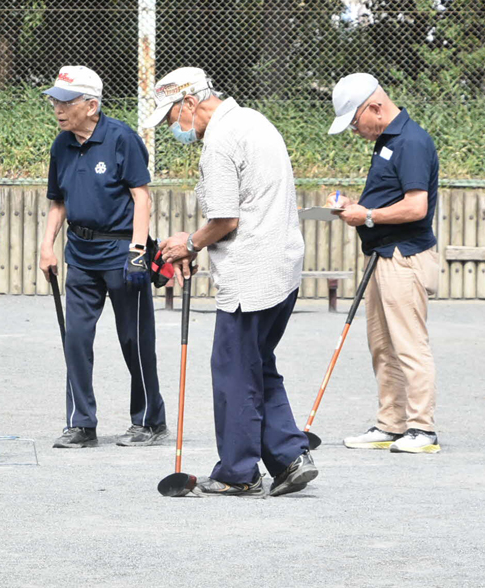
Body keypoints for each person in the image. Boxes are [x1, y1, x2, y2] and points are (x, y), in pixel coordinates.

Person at [155, 67, 317, 497]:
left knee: (232, 370)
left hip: (251, 277)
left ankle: (238, 472)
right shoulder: (254, 121)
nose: (173, 127)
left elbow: (226, 218)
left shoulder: (220, 141)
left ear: (190, 103)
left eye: (171, 116)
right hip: (282, 267)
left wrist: (187, 243)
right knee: (257, 364)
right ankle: (290, 457)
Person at [38, 65, 167, 450]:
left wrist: (139, 250)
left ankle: (149, 420)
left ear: (91, 105)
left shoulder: (121, 138)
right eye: (54, 100)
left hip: (121, 251)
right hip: (80, 253)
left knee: (134, 339)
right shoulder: (61, 144)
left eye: (65, 101)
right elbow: (57, 201)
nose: (57, 108)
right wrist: (47, 245)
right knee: (75, 337)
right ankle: (81, 423)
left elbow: (140, 195)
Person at [326, 73, 440, 454]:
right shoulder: (389, 142)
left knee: (409, 345)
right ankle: (391, 424)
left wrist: (368, 216)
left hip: (404, 257)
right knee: (383, 346)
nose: (357, 131)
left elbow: (415, 206)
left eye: (356, 123)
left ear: (375, 108)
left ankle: (422, 430)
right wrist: (354, 207)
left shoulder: (411, 142)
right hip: (382, 257)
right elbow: (390, 197)